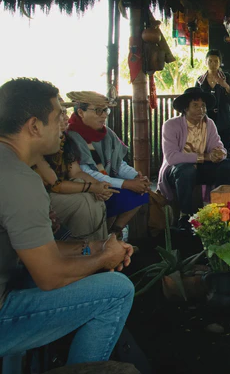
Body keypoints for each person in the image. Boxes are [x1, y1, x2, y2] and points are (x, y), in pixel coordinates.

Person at [0, 78, 134, 364]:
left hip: (11, 281)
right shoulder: (19, 180)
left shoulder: (10, 165)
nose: (64, 121)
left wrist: (94, 247)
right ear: (35, 126)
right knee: (117, 290)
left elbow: (31, 251)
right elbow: (49, 276)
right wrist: (104, 260)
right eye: (58, 115)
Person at [66, 91, 150, 239]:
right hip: (85, 188)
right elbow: (86, 172)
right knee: (119, 194)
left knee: (142, 193)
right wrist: (126, 184)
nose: (104, 115)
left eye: (106, 110)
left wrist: (136, 177)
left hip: (107, 183)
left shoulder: (107, 134)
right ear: (81, 112)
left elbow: (119, 163)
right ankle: (102, 241)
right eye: (98, 110)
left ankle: (115, 232)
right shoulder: (71, 136)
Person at [33, 97, 115, 242]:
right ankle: (85, 250)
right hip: (41, 198)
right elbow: (55, 184)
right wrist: (92, 187)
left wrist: (99, 186)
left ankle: (100, 247)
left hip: (59, 192)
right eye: (60, 114)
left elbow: (76, 171)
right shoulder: (37, 144)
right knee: (83, 202)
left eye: (65, 112)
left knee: (95, 198)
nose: (65, 118)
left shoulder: (66, 140)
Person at [157, 87, 230, 229]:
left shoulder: (209, 123)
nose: (201, 109)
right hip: (175, 171)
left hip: (200, 169)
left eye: (203, 106)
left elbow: (219, 146)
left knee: (227, 165)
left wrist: (219, 153)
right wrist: (205, 157)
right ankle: (185, 216)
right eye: (196, 105)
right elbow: (172, 157)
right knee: (186, 171)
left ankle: (222, 210)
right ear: (185, 108)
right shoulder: (171, 125)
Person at [196, 49, 230, 153]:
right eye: (210, 61)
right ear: (205, 62)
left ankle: (226, 169)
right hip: (205, 121)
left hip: (224, 120)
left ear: (220, 63)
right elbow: (195, 100)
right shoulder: (200, 81)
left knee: (225, 150)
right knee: (207, 149)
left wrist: (225, 85)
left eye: (216, 61)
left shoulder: (228, 78)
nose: (213, 64)